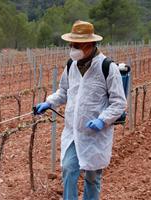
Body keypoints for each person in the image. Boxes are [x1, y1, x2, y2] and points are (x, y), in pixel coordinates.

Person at [34, 20, 127, 200]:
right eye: (71, 44)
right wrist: (49, 102)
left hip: (96, 135)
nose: (72, 48)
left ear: (89, 44)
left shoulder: (107, 68)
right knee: (69, 169)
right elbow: (63, 91)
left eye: (76, 44)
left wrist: (103, 120)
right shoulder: (71, 65)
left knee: (92, 178)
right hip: (73, 132)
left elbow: (119, 102)